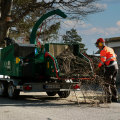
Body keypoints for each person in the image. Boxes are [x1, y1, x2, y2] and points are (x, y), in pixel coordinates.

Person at [95, 38, 118, 103]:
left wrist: (98, 67)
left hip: (110, 68)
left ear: (100, 43)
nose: (97, 46)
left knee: (106, 83)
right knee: (112, 83)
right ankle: (115, 98)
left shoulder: (103, 50)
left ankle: (108, 99)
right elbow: (115, 56)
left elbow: (103, 60)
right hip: (115, 67)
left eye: (98, 44)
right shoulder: (110, 49)